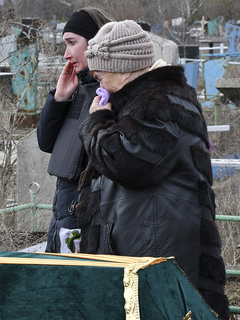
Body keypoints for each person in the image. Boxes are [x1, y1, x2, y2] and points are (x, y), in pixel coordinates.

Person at [76, 20, 229, 319]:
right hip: (146, 252)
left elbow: (125, 162)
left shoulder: (159, 102)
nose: (97, 82)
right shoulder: (138, 102)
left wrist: (96, 124)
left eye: (100, 73)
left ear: (125, 67)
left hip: (158, 257)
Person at [36, 7, 112, 253]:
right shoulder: (78, 87)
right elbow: (46, 143)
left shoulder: (108, 94)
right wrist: (58, 99)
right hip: (64, 207)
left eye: (72, 43)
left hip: (87, 208)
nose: (66, 54)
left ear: (93, 43)